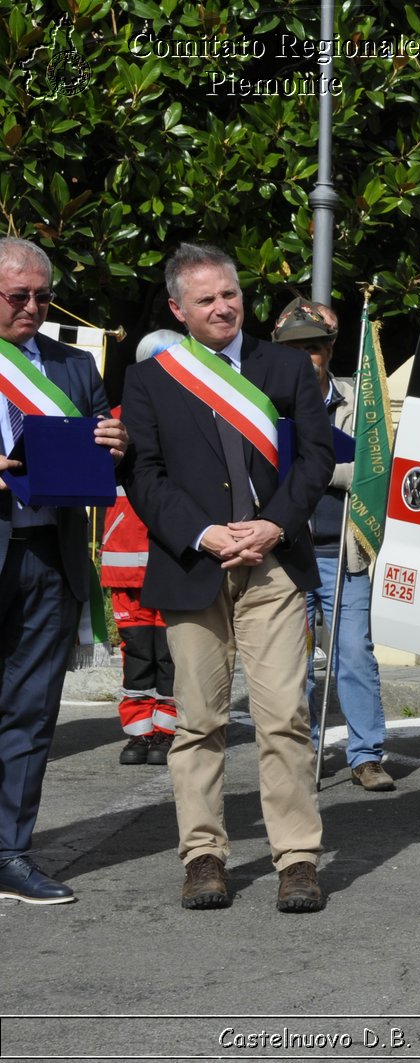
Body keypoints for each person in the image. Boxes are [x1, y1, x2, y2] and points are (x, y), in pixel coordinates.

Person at [120, 244, 333, 913]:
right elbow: (143, 475)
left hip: (271, 564)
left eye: (230, 294)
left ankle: (297, 859)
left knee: (284, 720)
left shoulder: (284, 367)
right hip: (194, 565)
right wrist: (205, 533)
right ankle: (204, 855)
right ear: (179, 309)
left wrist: (273, 524)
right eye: (206, 299)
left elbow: (318, 456)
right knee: (199, 722)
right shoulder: (153, 380)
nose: (222, 307)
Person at [0, 237, 129, 904]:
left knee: (29, 710)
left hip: (48, 556)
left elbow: (106, 457)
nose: (32, 306)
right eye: (17, 296)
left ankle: (9, 852)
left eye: (41, 296)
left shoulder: (74, 366)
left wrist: (116, 443)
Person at [271, 297, 393, 792]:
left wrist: (310, 467)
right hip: (285, 553)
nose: (307, 357)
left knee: (354, 656)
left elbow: (374, 468)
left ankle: (367, 756)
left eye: (316, 348)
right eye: (296, 348)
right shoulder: (266, 398)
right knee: (290, 663)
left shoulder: (357, 401)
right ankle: (304, 751)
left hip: (343, 552)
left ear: (330, 350)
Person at [104, 329, 184, 767]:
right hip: (125, 560)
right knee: (137, 649)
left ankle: (168, 730)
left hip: (172, 557)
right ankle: (138, 732)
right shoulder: (113, 420)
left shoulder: (192, 420)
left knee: (170, 651)